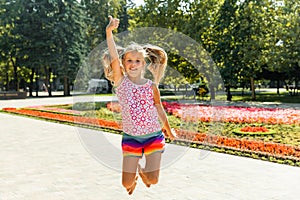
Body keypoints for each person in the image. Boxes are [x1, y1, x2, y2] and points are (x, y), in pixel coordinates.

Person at [103, 16, 176, 195]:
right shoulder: (121, 82)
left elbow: (158, 108)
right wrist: (109, 32)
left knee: (153, 180)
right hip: (131, 139)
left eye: (137, 61)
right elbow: (113, 55)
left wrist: (168, 129)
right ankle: (133, 178)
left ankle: (143, 173)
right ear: (123, 64)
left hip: (153, 137)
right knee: (125, 183)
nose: (133, 64)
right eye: (129, 60)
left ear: (143, 64)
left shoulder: (151, 87)